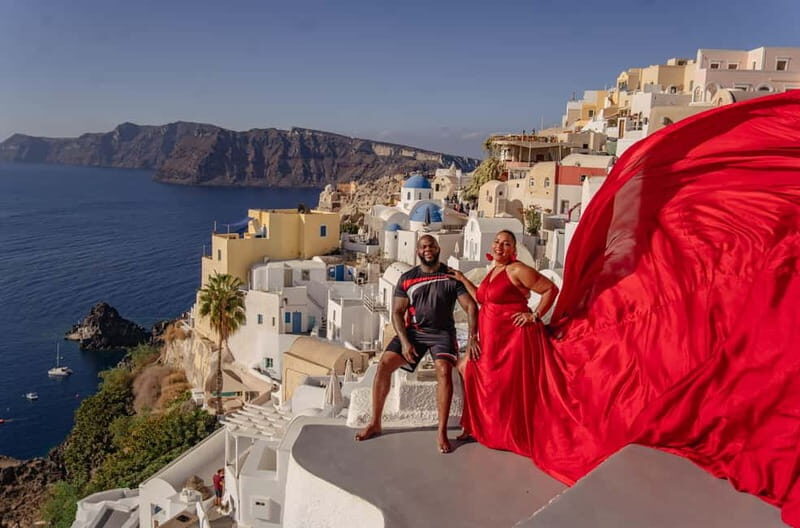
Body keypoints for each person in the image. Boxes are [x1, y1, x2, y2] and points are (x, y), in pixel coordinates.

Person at [355, 235, 479, 453]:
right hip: (414, 333)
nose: (427, 249)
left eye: (431, 245)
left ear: (438, 248)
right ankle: (375, 422)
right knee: (384, 365)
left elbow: (471, 307)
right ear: (418, 251)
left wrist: (472, 340)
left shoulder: (451, 277)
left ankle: (441, 431)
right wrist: (404, 342)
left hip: (442, 334)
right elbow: (396, 312)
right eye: (423, 247)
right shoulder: (407, 278)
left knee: (443, 371)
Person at [449, 230, 558, 452]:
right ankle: (477, 427)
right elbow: (482, 297)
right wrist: (462, 278)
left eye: (506, 244)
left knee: (507, 387)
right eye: (497, 242)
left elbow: (550, 289)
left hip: (513, 339)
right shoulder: (494, 270)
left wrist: (534, 315)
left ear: (514, 250)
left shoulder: (517, 269)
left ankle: (506, 434)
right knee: (469, 371)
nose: (500, 246)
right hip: (492, 339)